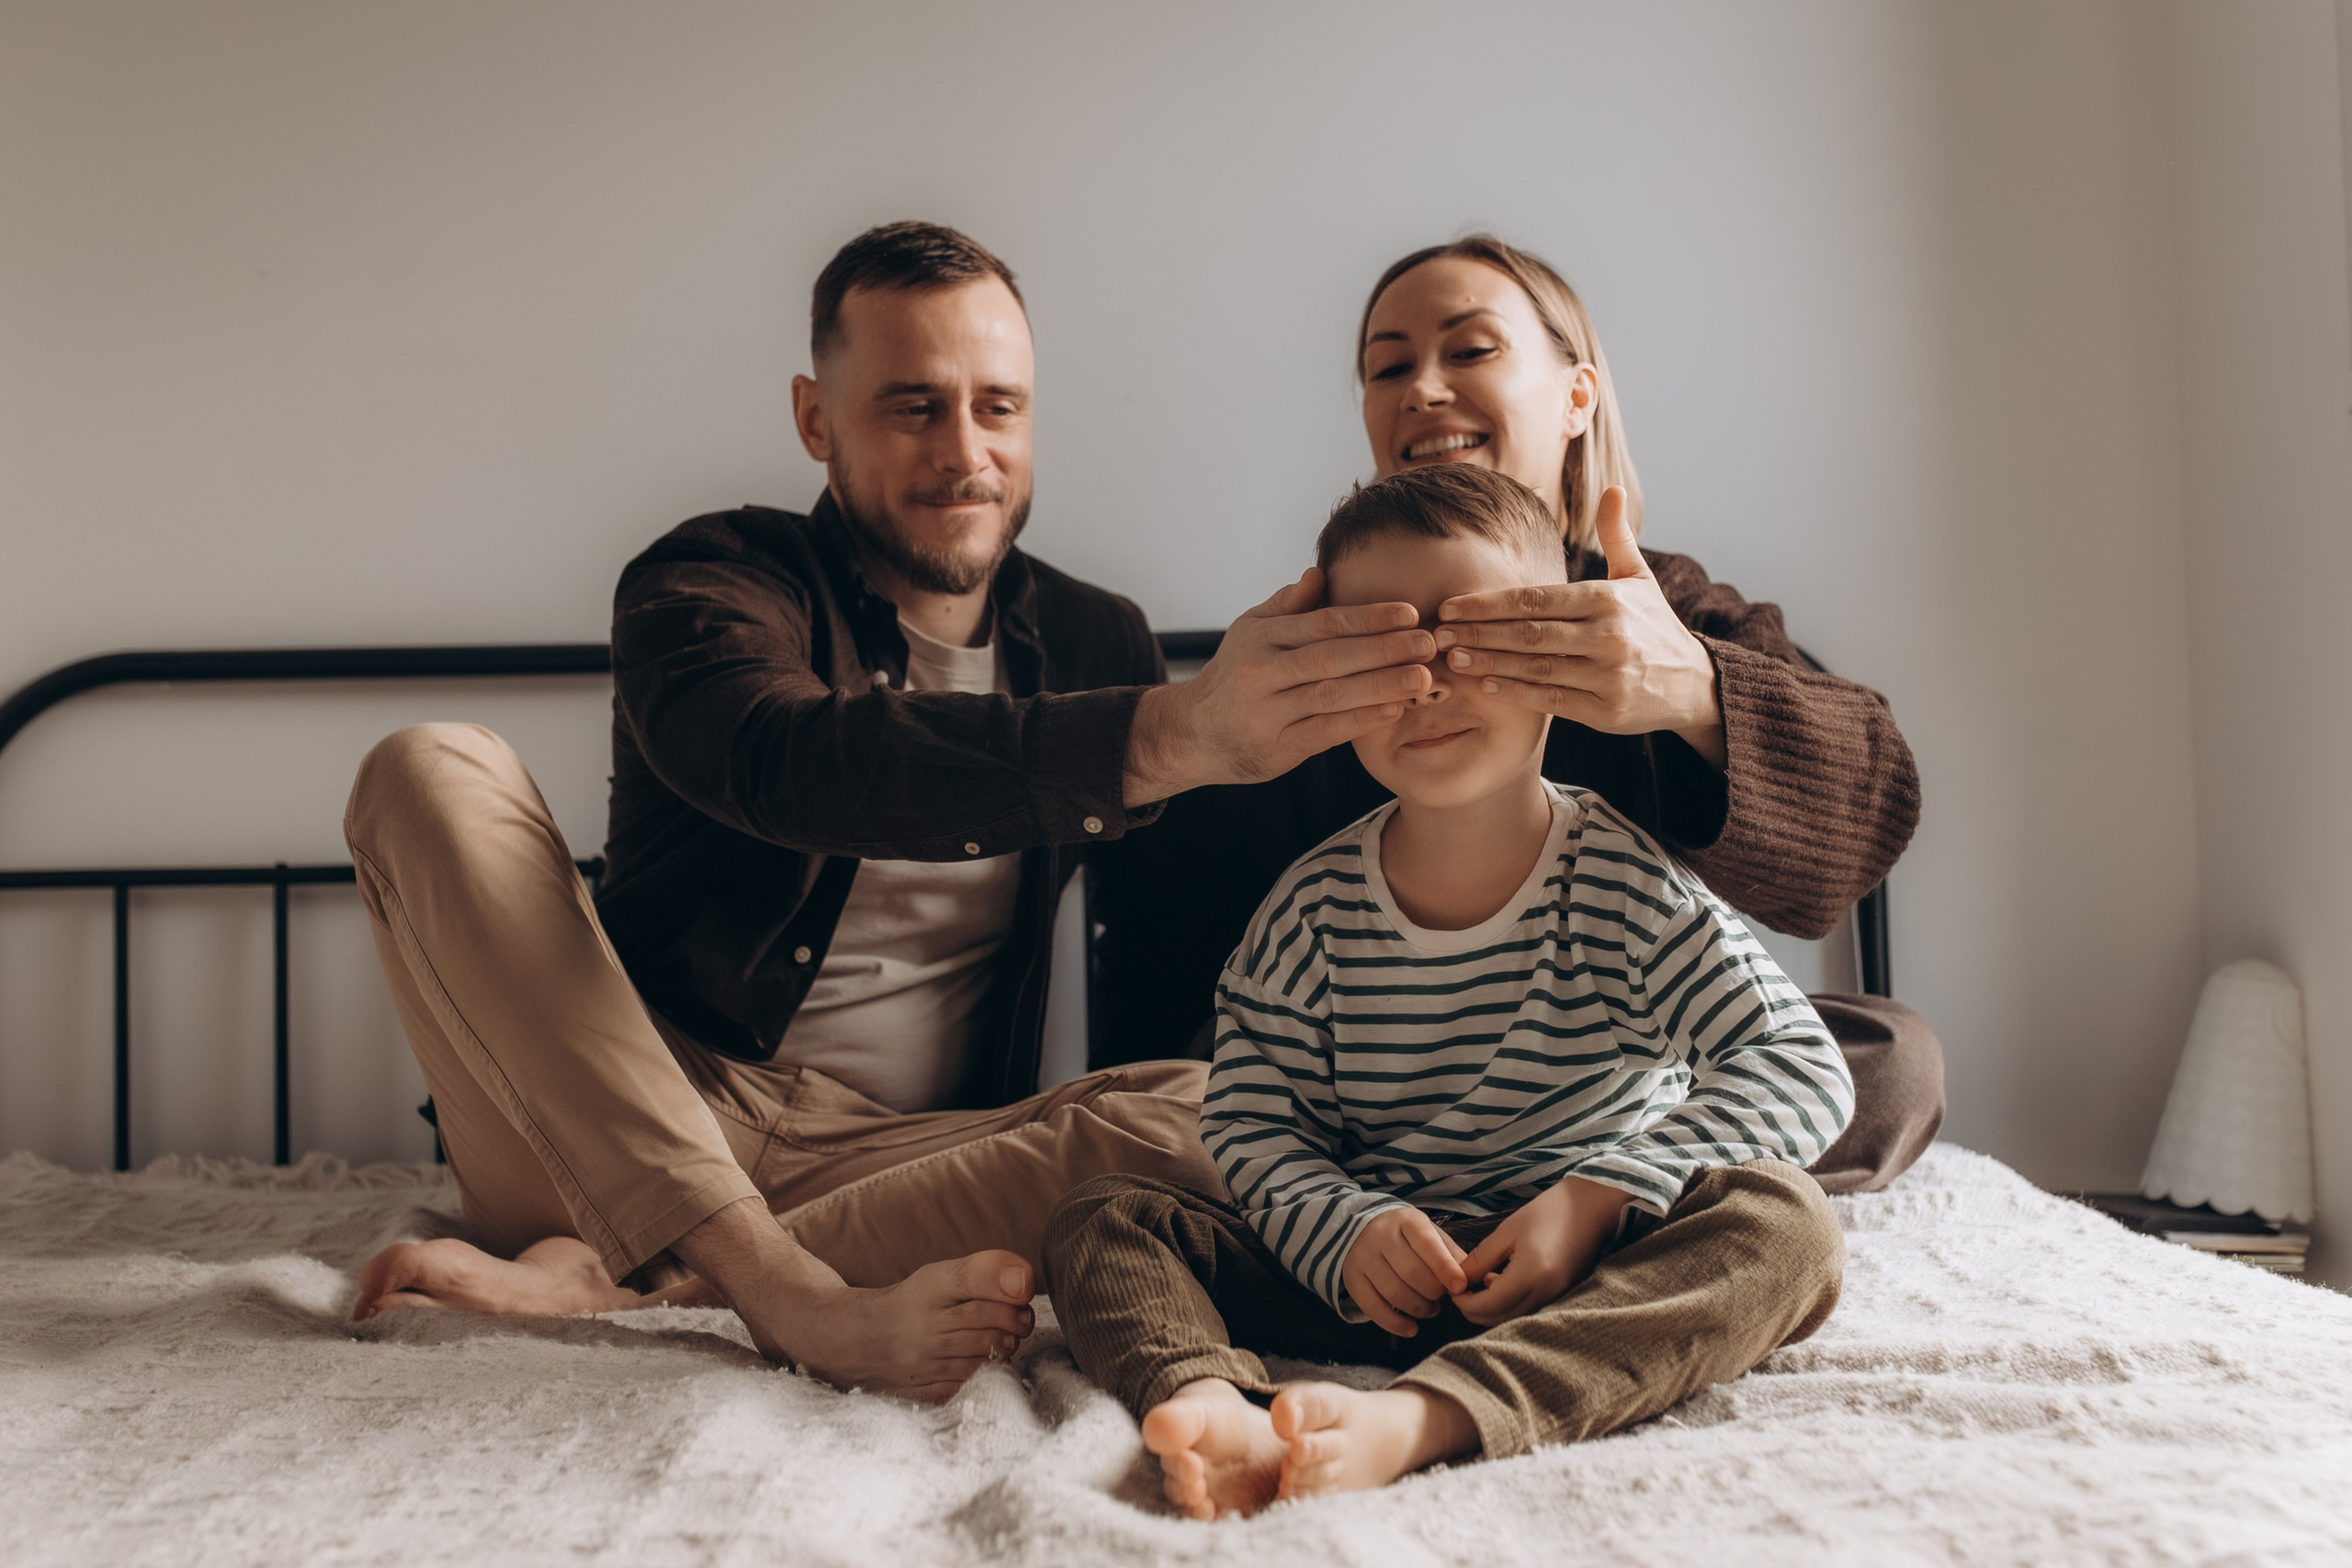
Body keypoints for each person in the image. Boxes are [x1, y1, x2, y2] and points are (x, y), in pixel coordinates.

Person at [343, 221, 1453, 1402]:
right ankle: (778, 1292)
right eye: (914, 407)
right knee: (426, 767)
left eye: (1000, 408)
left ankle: (645, 1284)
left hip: (898, 1166)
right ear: (816, 421)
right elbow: (793, 763)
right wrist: (1168, 733)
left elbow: (1177, 958)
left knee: (1210, 1113)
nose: (964, 452)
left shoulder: (1092, 640)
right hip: (626, 1116)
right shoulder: (708, 580)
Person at [1046, 464, 1853, 1519]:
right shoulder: (1307, 913)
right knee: (1104, 1219)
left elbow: (1799, 1066)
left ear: (1559, 654)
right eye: (1385, 651)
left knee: (1786, 1227)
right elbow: (1251, 1119)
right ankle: (1221, 1411)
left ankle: (1430, 1418)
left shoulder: (1625, 885)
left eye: (1470, 640)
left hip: (1588, 1275)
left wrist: (1596, 1199)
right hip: (1378, 1279)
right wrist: (1343, 1229)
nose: (1427, 683)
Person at [1093, 235, 1940, 1195]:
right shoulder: (1308, 648)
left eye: (1469, 349)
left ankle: (1598, 1195)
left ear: (1577, 397)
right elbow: (1180, 975)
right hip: (1379, 1099)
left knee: (1887, 1055)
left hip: (1626, 1088)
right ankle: (1531, 1201)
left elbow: (1863, 825)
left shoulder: (1665, 609)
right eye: (1386, 366)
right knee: (1188, 1100)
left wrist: (1693, 690)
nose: (1420, 387)